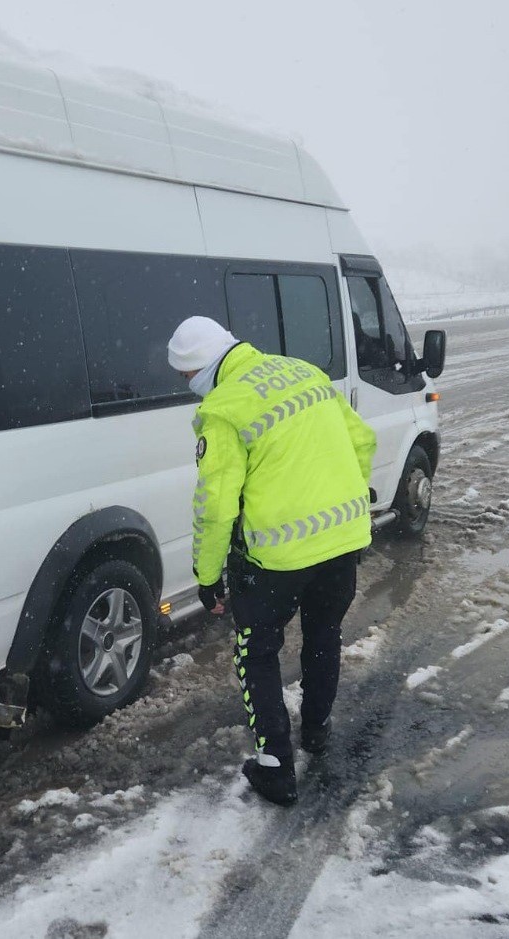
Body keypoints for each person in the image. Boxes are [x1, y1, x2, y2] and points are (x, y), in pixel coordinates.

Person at [168, 316, 377, 806]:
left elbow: (216, 505)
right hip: (343, 542)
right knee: (324, 635)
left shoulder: (223, 408)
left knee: (257, 654)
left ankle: (275, 767)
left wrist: (206, 576)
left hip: (275, 561)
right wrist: (350, 501)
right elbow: (363, 441)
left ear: (199, 369)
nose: (188, 387)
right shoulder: (305, 373)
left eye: (185, 377)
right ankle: (318, 731)